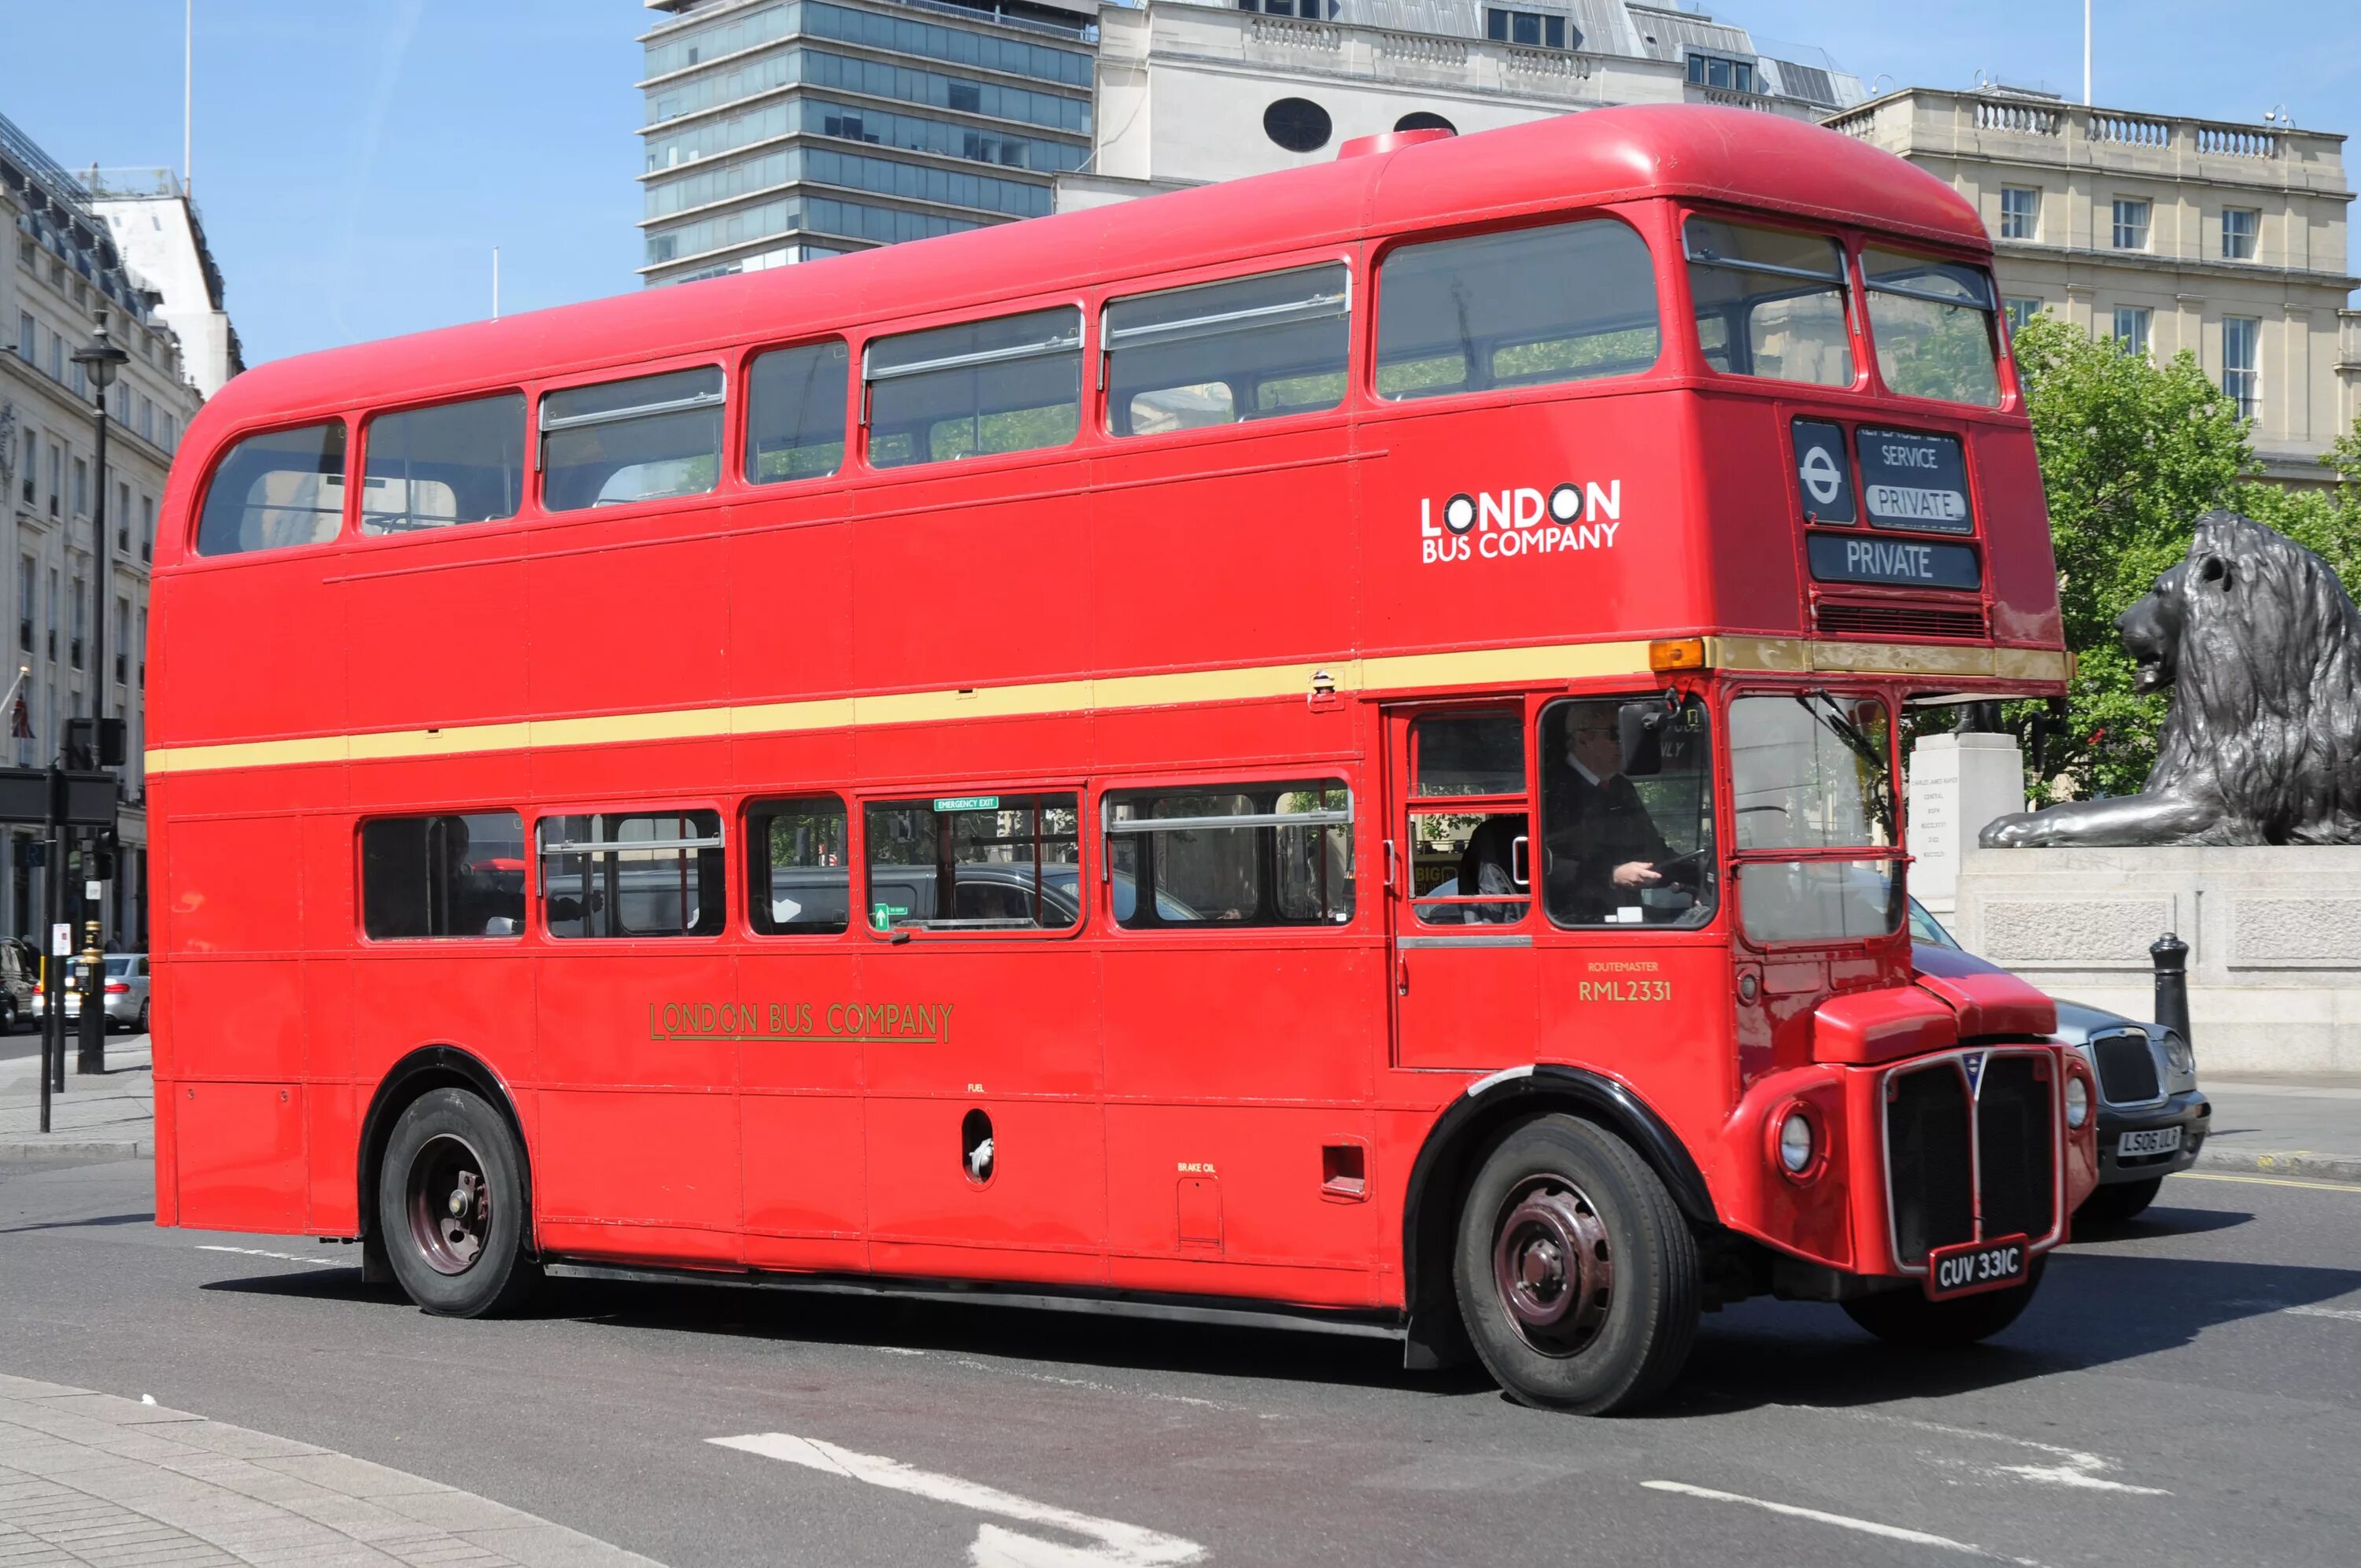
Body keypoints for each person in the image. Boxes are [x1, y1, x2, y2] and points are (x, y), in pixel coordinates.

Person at [1543, 701, 1675, 924]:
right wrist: (1612, 875)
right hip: (1571, 921)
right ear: (1583, 738)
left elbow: (1652, 848)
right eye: (1615, 734)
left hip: (1621, 912)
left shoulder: (1620, 787)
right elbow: (1547, 864)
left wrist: (1693, 869)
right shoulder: (1552, 789)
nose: (1622, 744)